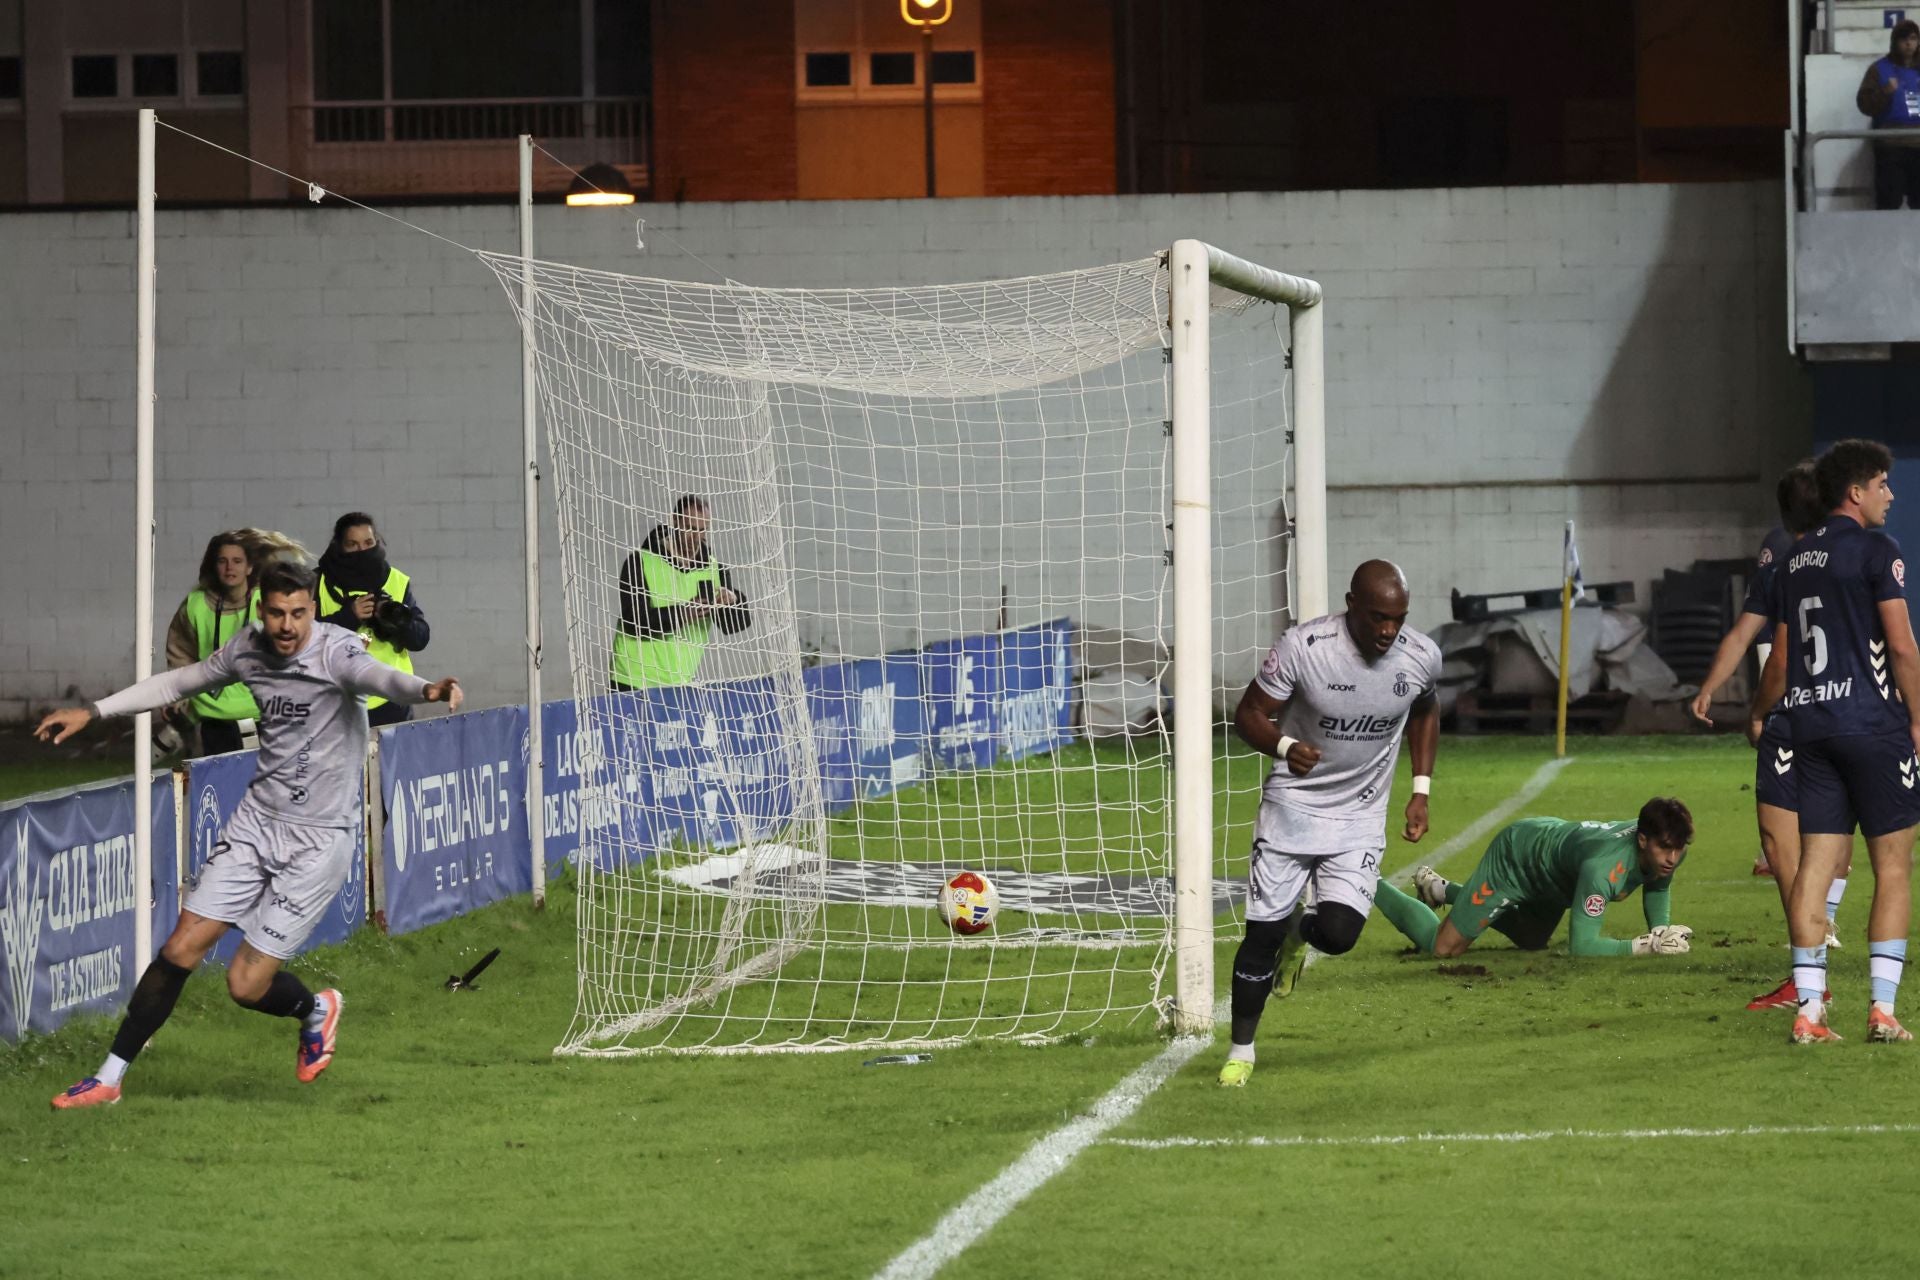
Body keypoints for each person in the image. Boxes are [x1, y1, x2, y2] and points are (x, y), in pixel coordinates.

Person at [38, 559, 462, 1109]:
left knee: (244, 986)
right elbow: (178, 680)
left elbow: (379, 678)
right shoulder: (248, 649)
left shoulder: (337, 650)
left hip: (319, 840)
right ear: (261, 609)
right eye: (278, 613)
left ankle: (316, 1010)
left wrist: (427, 688)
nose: (288, 626)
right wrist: (93, 711)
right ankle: (109, 1079)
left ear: (313, 608)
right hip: (257, 823)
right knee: (180, 947)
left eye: (299, 613)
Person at [1216, 559, 1441, 1087]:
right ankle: (1240, 1052)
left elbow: (1427, 709)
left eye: (1399, 619)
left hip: (1359, 815)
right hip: (1292, 810)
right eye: (1379, 618)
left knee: (1338, 935)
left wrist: (1420, 790)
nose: (1389, 631)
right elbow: (1247, 712)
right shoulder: (1304, 648)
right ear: (1351, 605)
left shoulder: (1421, 655)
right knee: (1259, 935)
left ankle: (1302, 933)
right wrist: (1284, 744)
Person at [1752, 439, 1920, 1045]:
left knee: (1814, 870)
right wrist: (1919, 723)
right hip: (1873, 726)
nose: (1890, 495)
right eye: (1882, 484)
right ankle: (1880, 1009)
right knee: (1893, 867)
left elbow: (1786, 651)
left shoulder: (1793, 561)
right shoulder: (1879, 551)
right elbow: (1901, 646)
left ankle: (1809, 1010)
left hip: (1811, 728)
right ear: (1856, 490)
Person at [1688, 463, 1847, 1007]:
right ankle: (1869, 988)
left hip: (1799, 719)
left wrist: (1755, 711)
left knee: (1783, 849)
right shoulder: (1865, 556)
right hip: (1857, 718)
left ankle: (1809, 978)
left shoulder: (1787, 562)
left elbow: (1770, 651)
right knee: (1841, 840)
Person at [1375, 800, 1693, 959]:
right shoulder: (1603, 870)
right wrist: (1646, 946)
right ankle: (1368, 883)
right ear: (1641, 840)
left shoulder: (1668, 850)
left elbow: (1657, 885)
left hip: (1553, 873)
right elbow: (1582, 947)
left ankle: (1442, 891)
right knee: (1443, 948)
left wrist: (1660, 929)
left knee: (1531, 939)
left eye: (1678, 849)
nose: (1672, 858)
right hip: (1518, 859)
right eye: (1665, 848)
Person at [163, 528, 308, 757]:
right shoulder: (195, 604)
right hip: (211, 718)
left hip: (262, 715)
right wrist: (179, 696)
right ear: (214, 566)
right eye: (223, 561)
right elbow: (180, 653)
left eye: (237, 561)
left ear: (249, 567)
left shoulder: (267, 602)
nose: (230, 568)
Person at [611, 495, 752, 691]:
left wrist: (733, 599)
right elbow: (634, 622)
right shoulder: (639, 562)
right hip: (632, 679)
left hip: (679, 683)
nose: (696, 538)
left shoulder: (715, 568)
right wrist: (685, 613)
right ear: (674, 521)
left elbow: (733, 626)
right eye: (690, 529)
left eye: (703, 530)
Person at [316, 512, 430, 728]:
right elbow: (305, 640)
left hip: (393, 702)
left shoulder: (396, 580)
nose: (362, 552)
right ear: (339, 546)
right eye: (353, 545)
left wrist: (396, 619)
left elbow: (420, 639)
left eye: (368, 543)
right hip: (338, 707)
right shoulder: (316, 583)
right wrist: (348, 616)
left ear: (377, 542)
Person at [1857, 19, 1920, 211]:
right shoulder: (1879, 69)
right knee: (1888, 204)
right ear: (1894, 42)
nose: (1909, 44)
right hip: (1889, 145)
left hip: (1918, 146)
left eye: (1913, 38)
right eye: (1904, 39)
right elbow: (1864, 105)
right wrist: (1884, 92)